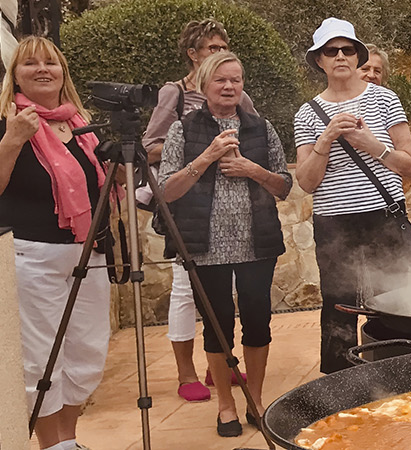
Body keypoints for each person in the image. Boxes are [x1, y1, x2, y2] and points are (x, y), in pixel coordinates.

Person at [158, 51, 290, 437]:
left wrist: (252, 169)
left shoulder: (261, 128)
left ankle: (256, 399)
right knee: (217, 328)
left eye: (236, 79)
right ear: (204, 85)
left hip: (257, 243)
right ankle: (226, 406)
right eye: (221, 80)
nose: (229, 86)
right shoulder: (183, 130)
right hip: (205, 246)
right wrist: (208, 156)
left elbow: (283, 185)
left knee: (258, 321)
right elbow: (167, 190)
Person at [294, 18, 411, 374]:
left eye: (347, 49)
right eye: (330, 51)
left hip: (383, 215)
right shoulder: (307, 114)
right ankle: (342, 385)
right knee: (338, 304)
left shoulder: (384, 99)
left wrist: (371, 145)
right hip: (334, 223)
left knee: (394, 299)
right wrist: (325, 140)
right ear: (318, 60)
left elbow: (410, 164)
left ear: (357, 55)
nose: (339, 56)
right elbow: (306, 181)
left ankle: (399, 374)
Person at [139, 18, 258, 404]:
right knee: (185, 291)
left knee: (228, 295)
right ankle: (186, 372)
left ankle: (217, 365)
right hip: (187, 204)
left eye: (225, 48)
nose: (221, 57)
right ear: (193, 55)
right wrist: (194, 147)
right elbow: (151, 145)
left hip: (233, 211)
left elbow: (253, 134)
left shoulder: (240, 95)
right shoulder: (173, 93)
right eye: (212, 49)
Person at [0, 36, 110, 450]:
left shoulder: (80, 125)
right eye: (31, 64)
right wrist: (12, 139)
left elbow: (100, 188)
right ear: (16, 75)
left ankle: (69, 439)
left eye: (51, 62)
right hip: (34, 256)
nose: (43, 69)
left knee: (86, 351)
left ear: (63, 71)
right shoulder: (7, 120)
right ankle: (51, 445)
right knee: (44, 357)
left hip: (88, 252)